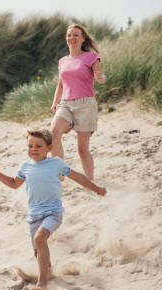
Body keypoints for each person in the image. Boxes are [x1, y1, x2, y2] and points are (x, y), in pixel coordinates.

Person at [0, 129, 106, 290]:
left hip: (53, 212)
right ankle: (48, 271)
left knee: (40, 238)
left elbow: (78, 177)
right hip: (34, 216)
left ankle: (42, 281)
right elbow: (14, 184)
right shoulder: (25, 166)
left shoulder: (56, 163)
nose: (33, 149)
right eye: (30, 146)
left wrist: (97, 188)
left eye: (38, 146)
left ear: (49, 148)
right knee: (38, 250)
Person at [50, 24, 106, 180]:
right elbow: (60, 84)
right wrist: (55, 102)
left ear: (83, 39)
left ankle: (90, 180)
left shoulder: (91, 57)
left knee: (82, 149)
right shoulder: (63, 61)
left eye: (75, 35)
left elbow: (99, 72)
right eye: (69, 35)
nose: (72, 38)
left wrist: (100, 77)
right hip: (66, 103)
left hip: (86, 104)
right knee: (54, 134)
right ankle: (59, 175)